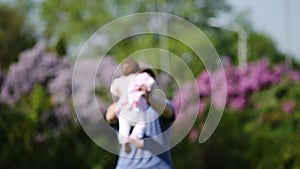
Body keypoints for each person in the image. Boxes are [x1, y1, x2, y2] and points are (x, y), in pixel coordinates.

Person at [106, 59, 175, 169]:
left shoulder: (162, 104)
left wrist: (148, 99)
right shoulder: (124, 107)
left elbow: (169, 113)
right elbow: (109, 117)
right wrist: (125, 97)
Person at [111, 61, 157, 153]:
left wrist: (121, 94)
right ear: (138, 70)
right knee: (141, 123)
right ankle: (135, 136)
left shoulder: (119, 80)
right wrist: (149, 89)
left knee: (123, 127)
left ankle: (124, 141)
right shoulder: (141, 77)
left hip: (122, 109)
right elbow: (151, 82)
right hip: (136, 106)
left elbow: (113, 90)